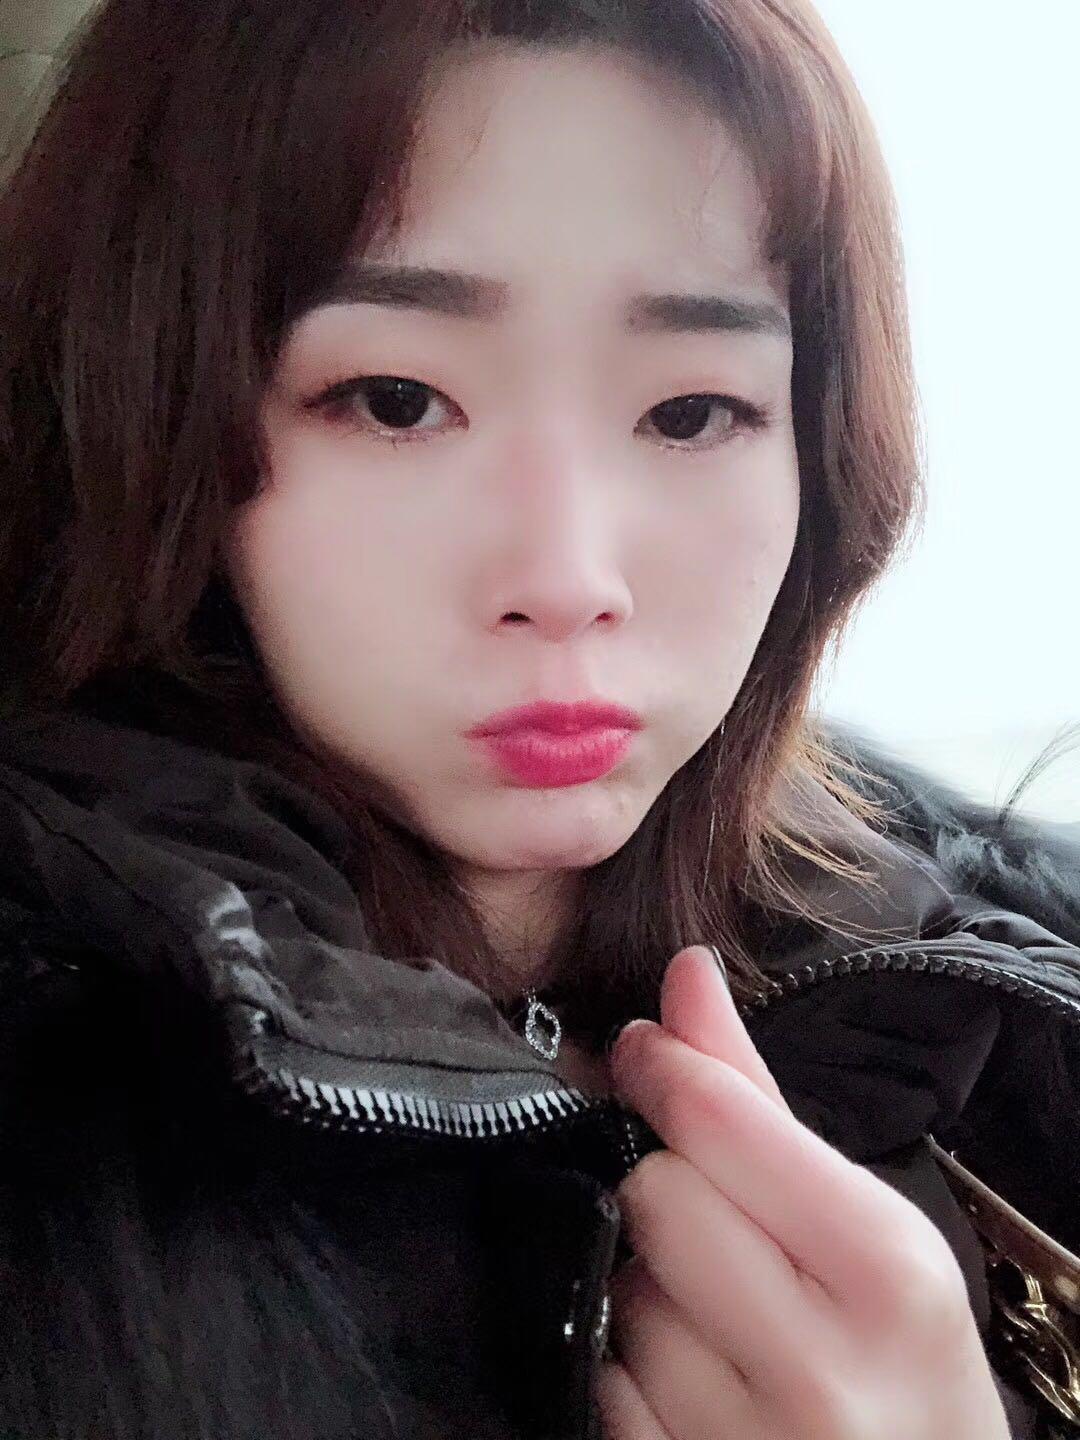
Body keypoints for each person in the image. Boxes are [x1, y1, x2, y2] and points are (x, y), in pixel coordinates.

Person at [0, 0, 1078, 1436]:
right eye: (396, 400)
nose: (569, 581)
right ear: (149, 415)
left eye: (692, 413)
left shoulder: (1003, 993)